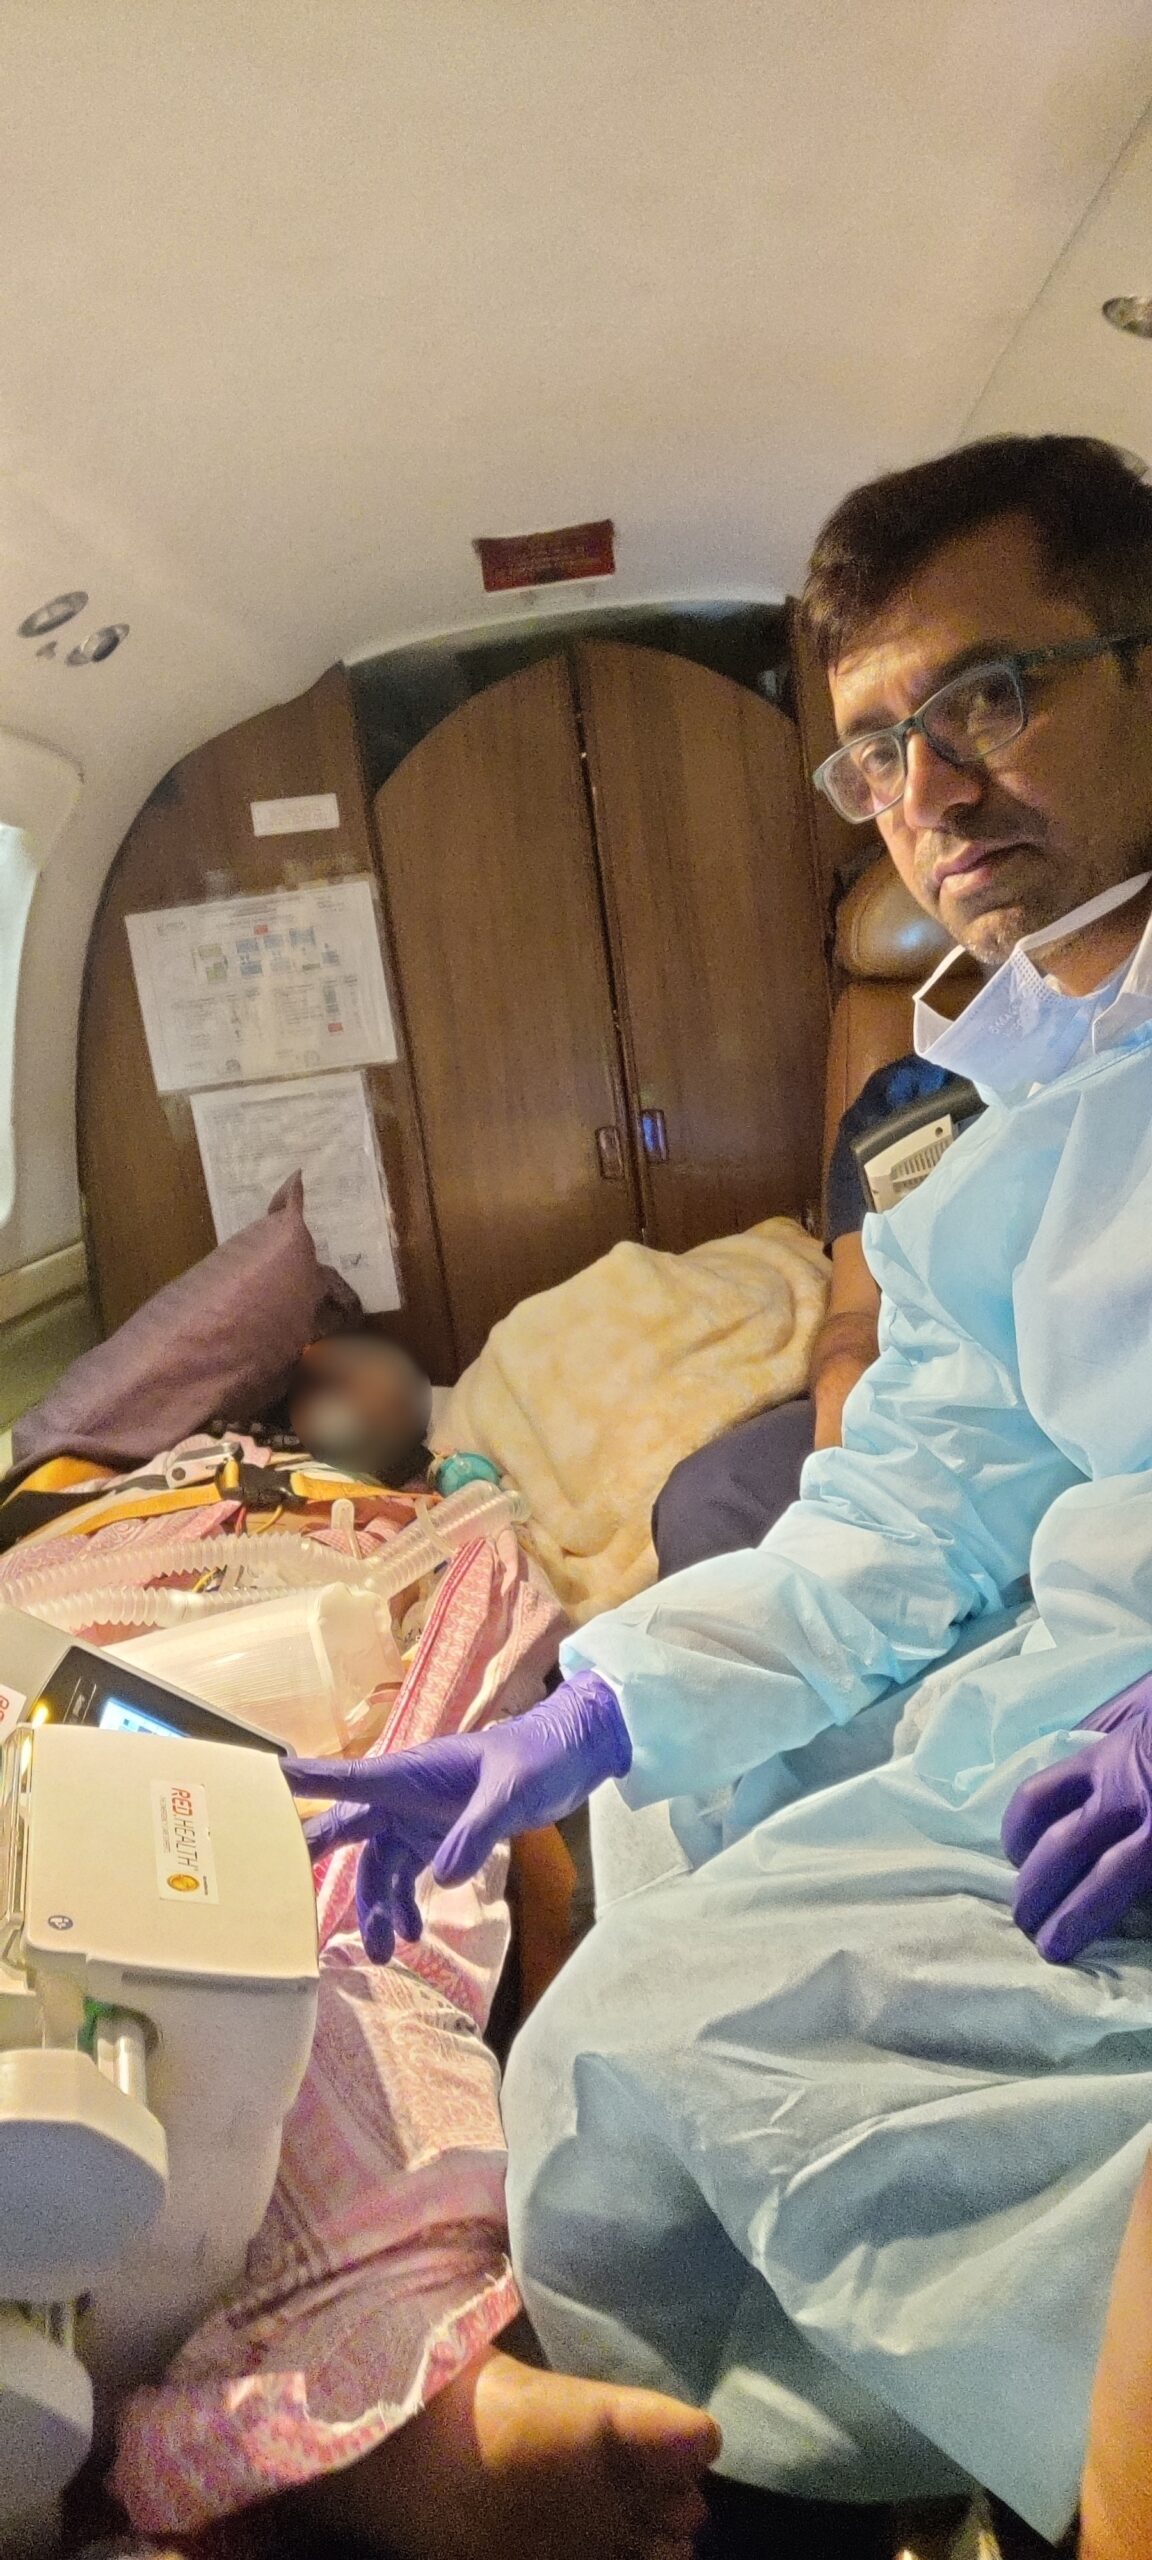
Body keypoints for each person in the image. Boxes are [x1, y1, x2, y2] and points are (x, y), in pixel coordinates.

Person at [301, 433, 1152, 2545]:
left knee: (626, 2046)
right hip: (1078, 1682)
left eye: (988, 695)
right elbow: (909, 1508)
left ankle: (825, 2468)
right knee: (658, 1792)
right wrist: (581, 1714)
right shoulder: (1008, 1094)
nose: (927, 792)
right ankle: (805, 2397)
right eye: (871, 750)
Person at [651, 1055, 972, 1575]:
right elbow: (855, 1308)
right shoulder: (901, 1101)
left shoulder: (1106, 1073)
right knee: (705, 1501)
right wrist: (842, 1377)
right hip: (917, 1398)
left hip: (1073, 1409)